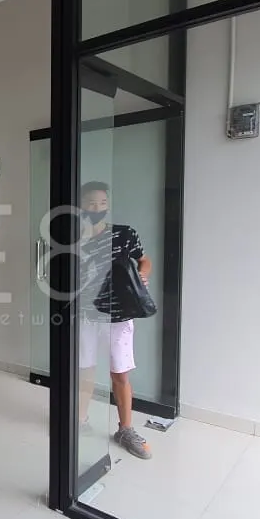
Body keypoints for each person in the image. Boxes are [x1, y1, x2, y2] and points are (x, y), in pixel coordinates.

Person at [78, 181, 153, 460]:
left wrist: (142, 275)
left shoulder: (124, 234)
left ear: (107, 205)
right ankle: (79, 421)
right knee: (84, 371)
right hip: (86, 315)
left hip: (119, 316)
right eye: (91, 203)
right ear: (82, 206)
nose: (97, 207)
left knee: (120, 373)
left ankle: (125, 429)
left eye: (102, 203)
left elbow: (144, 260)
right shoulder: (75, 238)